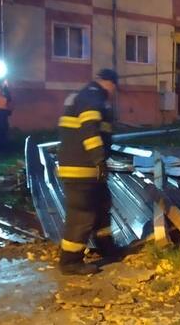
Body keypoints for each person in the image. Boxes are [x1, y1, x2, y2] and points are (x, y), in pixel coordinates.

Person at [56, 68, 119, 275]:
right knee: (82, 214)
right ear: (109, 83)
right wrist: (99, 159)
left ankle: (105, 246)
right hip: (81, 167)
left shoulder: (90, 96)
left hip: (86, 166)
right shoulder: (92, 96)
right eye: (114, 88)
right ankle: (70, 261)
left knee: (102, 204)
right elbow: (89, 130)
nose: (113, 93)